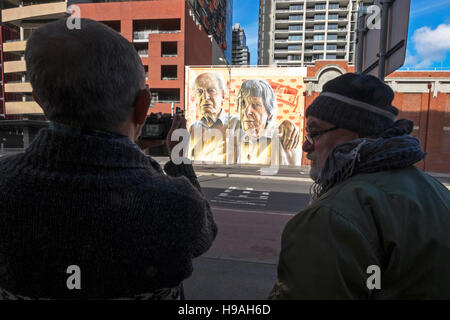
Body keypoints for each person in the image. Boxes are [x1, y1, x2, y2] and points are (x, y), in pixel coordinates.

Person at [0, 18, 217, 300]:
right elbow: (205, 234)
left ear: (39, 99)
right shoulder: (175, 203)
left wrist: (126, 146)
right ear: (143, 106)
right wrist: (178, 158)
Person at [269, 73, 450, 299]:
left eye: (315, 133)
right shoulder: (434, 190)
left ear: (357, 133)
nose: (306, 146)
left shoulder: (332, 216)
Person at [236, 79, 302, 166]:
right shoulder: (236, 133)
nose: (247, 111)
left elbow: (292, 177)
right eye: (243, 103)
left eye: (256, 104)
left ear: (269, 112)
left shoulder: (285, 138)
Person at [189, 72, 239, 163]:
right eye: (199, 92)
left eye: (211, 90)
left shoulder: (236, 124)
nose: (205, 97)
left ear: (223, 95)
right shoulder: (193, 128)